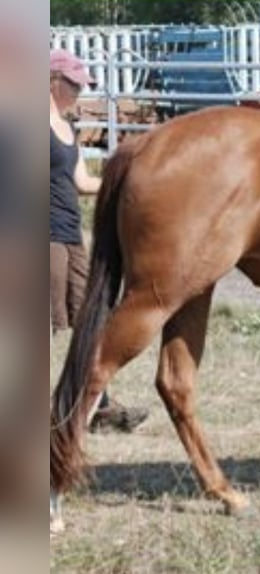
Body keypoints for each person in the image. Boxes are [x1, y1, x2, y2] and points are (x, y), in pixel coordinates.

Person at [50, 49, 148, 433]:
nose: (79, 92)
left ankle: (98, 406)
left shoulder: (67, 128)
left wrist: (125, 183)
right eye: (75, 85)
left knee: (89, 320)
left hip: (71, 233)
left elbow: (82, 182)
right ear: (53, 81)